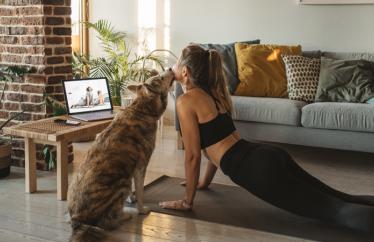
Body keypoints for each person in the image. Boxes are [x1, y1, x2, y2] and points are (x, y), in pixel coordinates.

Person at [159, 44, 374, 233]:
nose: (173, 68)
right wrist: (203, 182)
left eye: (176, 63)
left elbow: (193, 155)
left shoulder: (186, 101)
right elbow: (216, 144)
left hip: (256, 170)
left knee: (332, 210)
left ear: (185, 72)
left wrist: (188, 200)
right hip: (264, 155)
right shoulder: (214, 93)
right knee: (340, 197)